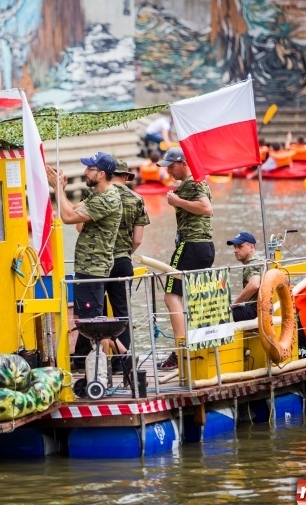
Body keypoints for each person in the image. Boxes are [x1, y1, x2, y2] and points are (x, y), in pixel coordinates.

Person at [45, 152, 122, 369]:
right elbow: (72, 210)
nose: (85, 172)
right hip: (88, 268)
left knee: (94, 326)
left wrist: (58, 188)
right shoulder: (97, 195)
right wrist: (59, 188)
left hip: (93, 269)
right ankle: (125, 358)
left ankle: (101, 373)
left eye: (90, 169)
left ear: (102, 173)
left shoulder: (108, 198)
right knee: (91, 321)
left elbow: (68, 218)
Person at [156, 147, 215, 370]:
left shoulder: (193, 183)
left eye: (171, 166)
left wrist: (178, 202)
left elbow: (207, 208)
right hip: (204, 247)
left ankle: (181, 350)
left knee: (171, 296)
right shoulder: (193, 183)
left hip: (191, 245)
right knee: (194, 297)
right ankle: (198, 345)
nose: (169, 171)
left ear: (183, 163)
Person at [104, 160, 150, 370]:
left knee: (96, 312)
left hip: (99, 262)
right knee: (123, 312)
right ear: (125, 177)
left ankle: (100, 362)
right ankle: (123, 364)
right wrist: (124, 253)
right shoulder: (137, 199)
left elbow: (79, 228)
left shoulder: (99, 194)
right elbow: (138, 239)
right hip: (123, 262)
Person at [227, 232, 265, 322]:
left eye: (240, 247)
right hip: (259, 307)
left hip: (257, 310)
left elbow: (254, 284)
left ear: (251, 247)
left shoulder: (254, 263)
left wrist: (234, 304)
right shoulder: (258, 261)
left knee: (223, 313)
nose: (235, 250)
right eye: (235, 247)